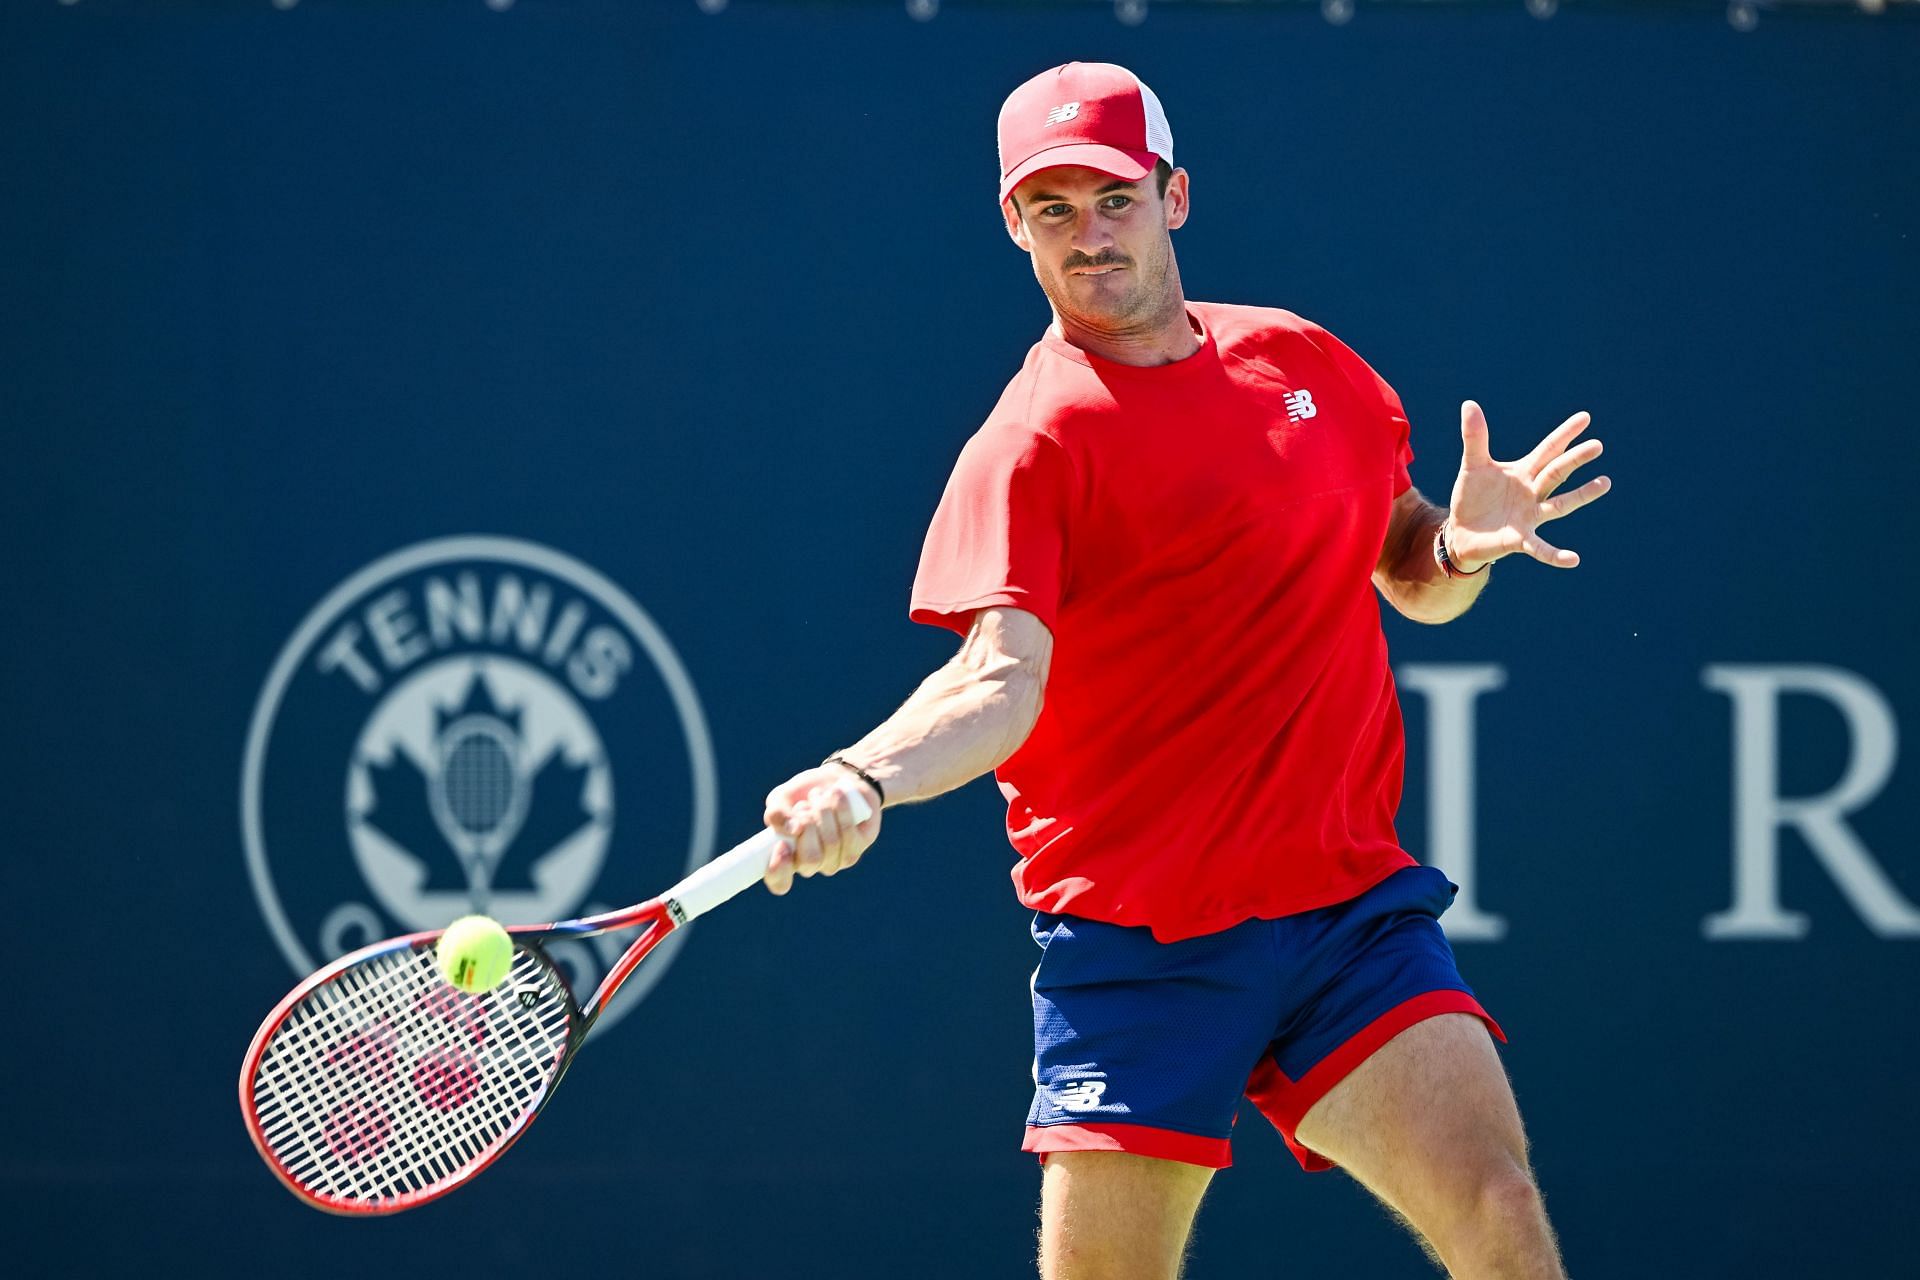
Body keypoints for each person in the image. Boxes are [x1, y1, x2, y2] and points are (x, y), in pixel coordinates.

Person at [759, 62, 1607, 1280]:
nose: (1088, 235)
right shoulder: (1029, 444)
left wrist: (1465, 542)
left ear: (1174, 197)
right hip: (1140, 942)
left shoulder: (1306, 363)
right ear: (1015, 226)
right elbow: (997, 680)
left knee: (1500, 1210)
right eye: (1052, 209)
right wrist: (863, 774)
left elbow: (1414, 574)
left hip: (1345, 909)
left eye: (1113, 198)